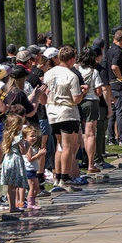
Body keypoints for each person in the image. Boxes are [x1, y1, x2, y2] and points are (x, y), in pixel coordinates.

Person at [43, 45, 84, 194]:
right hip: (67, 112)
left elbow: (43, 93)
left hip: (52, 112)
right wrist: (83, 92)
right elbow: (76, 99)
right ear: (72, 59)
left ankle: (57, 176)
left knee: (59, 145)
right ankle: (65, 178)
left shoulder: (48, 74)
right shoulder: (71, 75)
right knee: (68, 147)